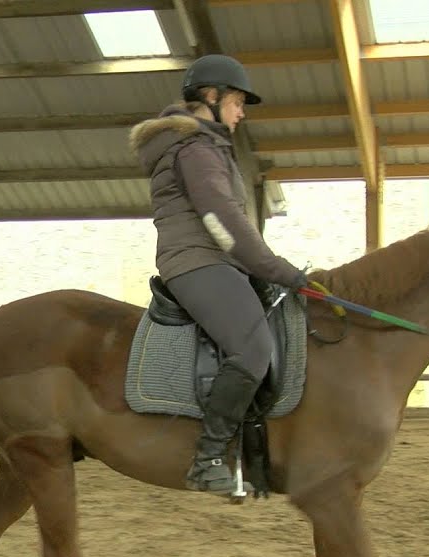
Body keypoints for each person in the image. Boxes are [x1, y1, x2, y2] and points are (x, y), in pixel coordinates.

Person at [128, 54, 309, 497]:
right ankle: (208, 458)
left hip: (217, 259)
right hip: (197, 260)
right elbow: (221, 219)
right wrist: (275, 268)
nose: (241, 112)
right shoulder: (195, 148)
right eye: (237, 102)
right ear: (211, 96)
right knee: (253, 348)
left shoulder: (204, 145)